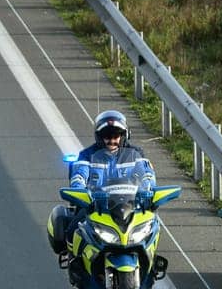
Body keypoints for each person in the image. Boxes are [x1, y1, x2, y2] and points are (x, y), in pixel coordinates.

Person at [47, 110, 157, 261]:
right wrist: (80, 191)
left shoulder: (136, 153)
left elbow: (147, 174)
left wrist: (148, 189)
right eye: (107, 136)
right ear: (99, 137)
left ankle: (151, 262)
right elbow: (79, 175)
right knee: (72, 231)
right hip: (95, 207)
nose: (111, 140)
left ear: (124, 135)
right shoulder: (87, 155)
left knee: (152, 226)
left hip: (130, 206)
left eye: (116, 135)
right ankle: (76, 261)